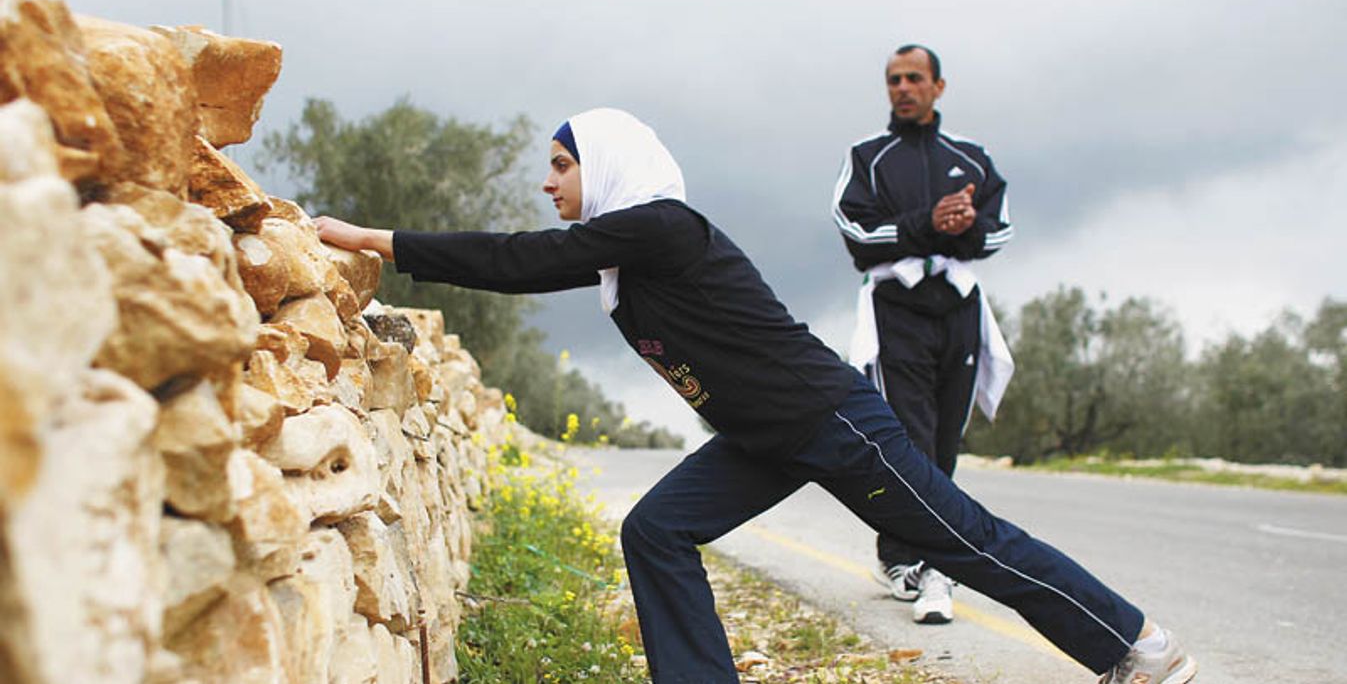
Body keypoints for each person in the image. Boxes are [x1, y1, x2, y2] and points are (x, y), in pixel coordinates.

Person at [315, 107, 1196, 684]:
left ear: (610, 167)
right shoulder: (627, 256)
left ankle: (1135, 648)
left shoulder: (659, 225)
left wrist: (368, 237)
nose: (548, 184)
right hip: (763, 438)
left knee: (972, 546)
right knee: (655, 530)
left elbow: (515, 261)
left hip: (835, 422)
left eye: (559, 165)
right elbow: (531, 263)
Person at [832, 43, 1015, 625]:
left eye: (914, 78)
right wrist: (925, 223)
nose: (903, 88)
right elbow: (854, 231)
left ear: (939, 86)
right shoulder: (869, 156)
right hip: (897, 310)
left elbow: (999, 230)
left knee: (943, 441)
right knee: (906, 437)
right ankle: (923, 563)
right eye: (893, 79)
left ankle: (918, 556)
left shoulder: (973, 158)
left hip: (958, 309)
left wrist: (964, 227)